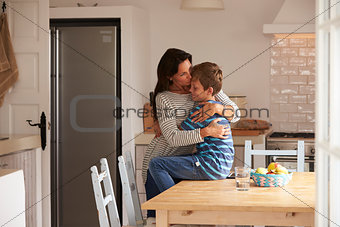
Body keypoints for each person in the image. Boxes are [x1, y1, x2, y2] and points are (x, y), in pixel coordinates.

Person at [142, 48, 239, 218]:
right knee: (162, 219)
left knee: (187, 217)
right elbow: (172, 138)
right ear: (169, 76)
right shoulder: (164, 98)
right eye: (183, 75)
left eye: (190, 71)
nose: (190, 78)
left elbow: (236, 114)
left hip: (187, 163)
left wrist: (218, 107)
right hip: (163, 161)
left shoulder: (201, 86)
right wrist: (206, 131)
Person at [148, 62, 234, 192]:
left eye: (195, 88)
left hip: (209, 164)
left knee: (156, 164)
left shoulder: (202, 111)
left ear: (209, 90)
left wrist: (163, 123)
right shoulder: (215, 104)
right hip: (222, 166)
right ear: (170, 76)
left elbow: (178, 133)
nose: (190, 90)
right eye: (183, 74)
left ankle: (173, 202)